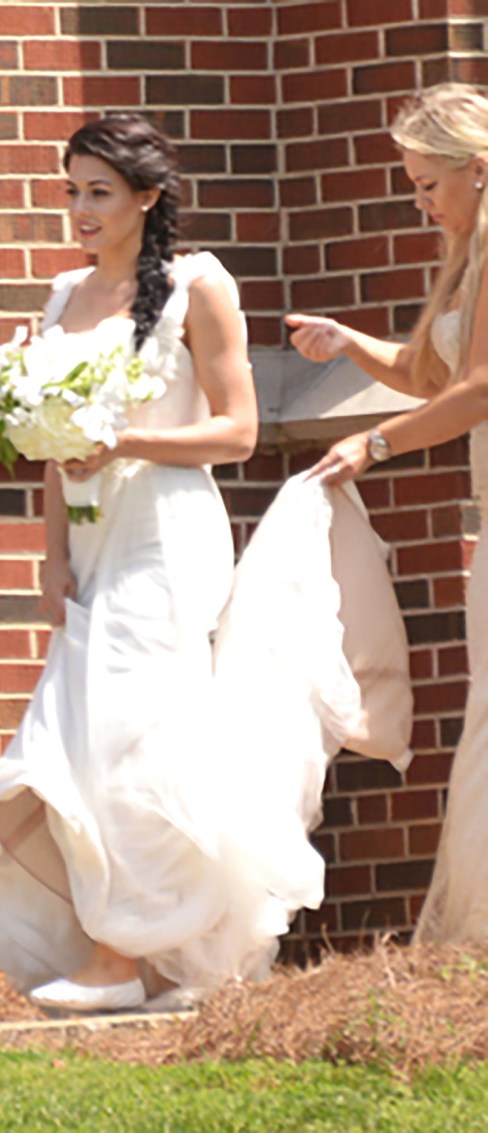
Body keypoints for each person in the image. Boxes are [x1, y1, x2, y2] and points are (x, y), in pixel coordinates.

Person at [0, 111, 262, 1011]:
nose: (78, 207)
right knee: (76, 742)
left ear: (146, 198)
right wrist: (50, 560)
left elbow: (239, 431)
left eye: (98, 192)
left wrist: (125, 445)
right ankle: (150, 953)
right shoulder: (60, 295)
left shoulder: (198, 285)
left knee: (127, 739)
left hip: (165, 535)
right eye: (71, 188)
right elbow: (47, 446)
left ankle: (119, 955)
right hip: (88, 540)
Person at [286, 82, 488, 944]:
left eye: (428, 184)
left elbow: (479, 390)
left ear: (478, 171)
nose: (419, 202)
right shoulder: (468, 258)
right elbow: (430, 373)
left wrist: (376, 446)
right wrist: (347, 340)